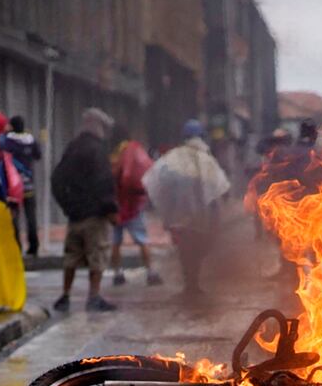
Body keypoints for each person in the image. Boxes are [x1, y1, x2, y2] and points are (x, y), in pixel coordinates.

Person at [142, 119, 231, 297]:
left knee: (185, 250)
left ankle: (190, 283)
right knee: (200, 246)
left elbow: (158, 179)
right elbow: (219, 185)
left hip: (179, 215)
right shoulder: (205, 158)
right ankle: (193, 283)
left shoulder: (174, 157)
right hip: (202, 215)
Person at [50, 108, 119, 312]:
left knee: (71, 257)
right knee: (97, 256)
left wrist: (67, 206)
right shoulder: (98, 150)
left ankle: (65, 296)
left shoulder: (72, 148)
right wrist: (110, 209)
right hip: (95, 215)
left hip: (75, 216)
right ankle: (94, 297)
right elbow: (103, 182)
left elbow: (57, 178)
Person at [110, 127, 160, 286]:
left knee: (115, 241)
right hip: (133, 204)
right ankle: (151, 272)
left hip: (116, 203)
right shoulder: (134, 149)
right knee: (142, 239)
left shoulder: (114, 153)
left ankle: (117, 273)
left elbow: (113, 176)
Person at [2, 116, 42, 255]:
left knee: (14, 217)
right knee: (31, 217)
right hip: (29, 184)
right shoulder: (30, 140)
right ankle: (34, 246)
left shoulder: (7, 141)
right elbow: (38, 155)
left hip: (13, 186)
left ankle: (16, 246)